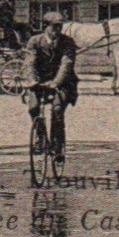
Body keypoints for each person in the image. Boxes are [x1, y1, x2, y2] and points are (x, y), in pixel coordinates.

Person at [20, 11, 78, 162]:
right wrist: (32, 80)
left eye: (60, 27)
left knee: (57, 111)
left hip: (63, 82)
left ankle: (58, 147)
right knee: (33, 108)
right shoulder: (34, 41)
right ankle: (41, 138)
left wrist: (56, 83)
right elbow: (29, 62)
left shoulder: (68, 42)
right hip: (39, 81)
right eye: (54, 27)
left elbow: (67, 64)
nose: (57, 30)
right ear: (46, 26)